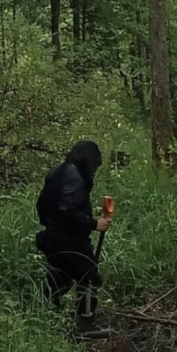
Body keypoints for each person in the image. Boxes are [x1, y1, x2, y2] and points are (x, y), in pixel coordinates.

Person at [35, 140, 111, 332]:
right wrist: (94, 224)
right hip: (70, 241)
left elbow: (41, 205)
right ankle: (86, 325)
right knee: (89, 277)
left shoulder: (56, 172)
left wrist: (51, 225)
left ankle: (47, 321)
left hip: (52, 239)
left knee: (59, 278)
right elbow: (67, 210)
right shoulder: (74, 178)